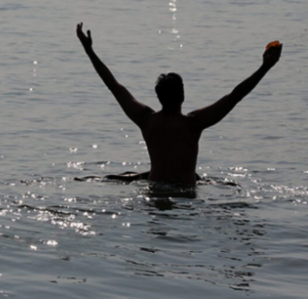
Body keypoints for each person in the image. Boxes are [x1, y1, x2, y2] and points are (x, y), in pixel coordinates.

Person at [76, 22, 282, 187]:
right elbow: (235, 96)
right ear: (183, 95)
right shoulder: (193, 124)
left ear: (159, 97)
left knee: (134, 176)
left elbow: (113, 85)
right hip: (185, 195)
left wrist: (89, 50)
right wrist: (265, 67)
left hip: (155, 191)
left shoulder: (146, 120)